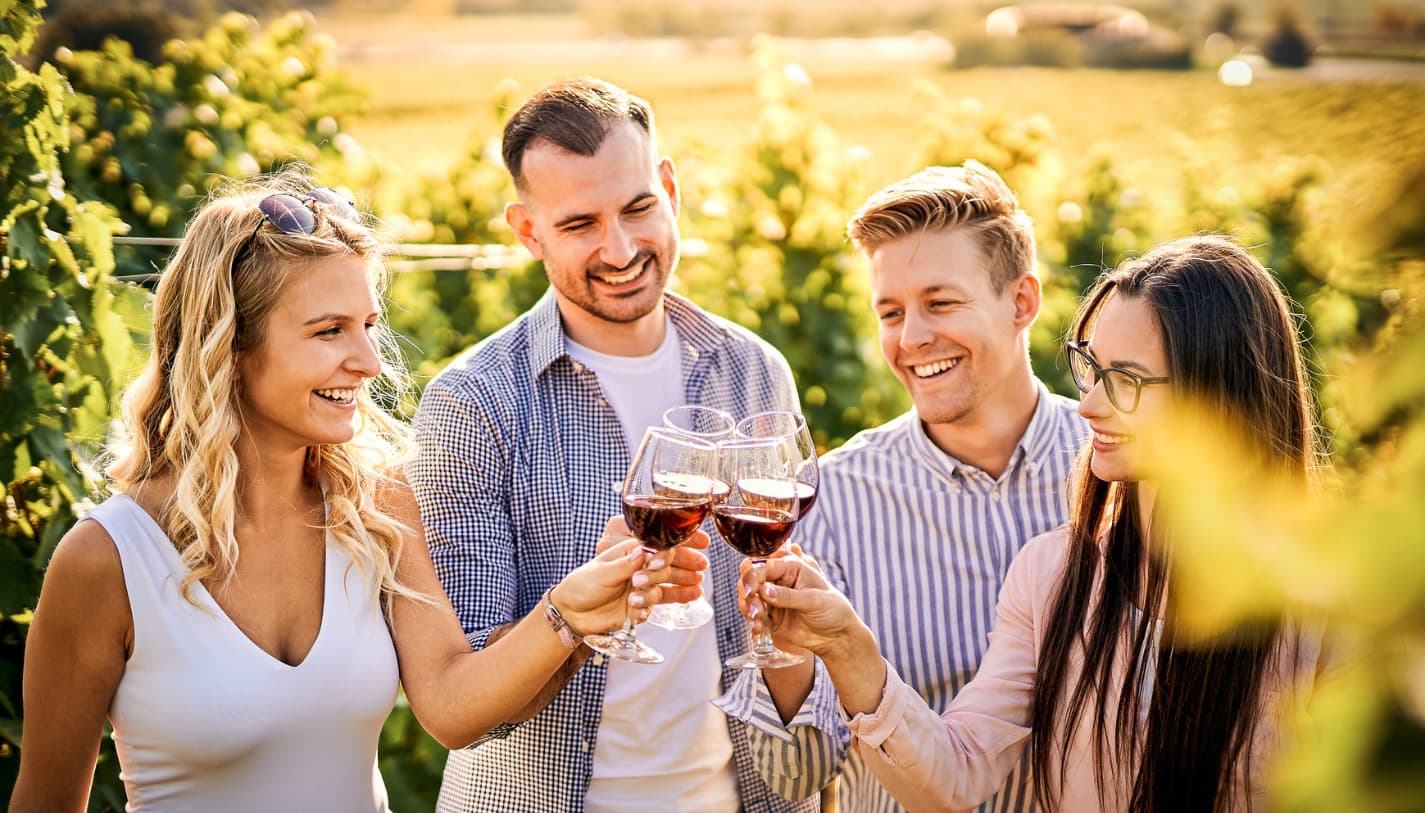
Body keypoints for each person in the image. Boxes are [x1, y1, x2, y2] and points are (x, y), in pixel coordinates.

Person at [10, 172, 704, 811]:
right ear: (229, 346)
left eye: (368, 325)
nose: (369, 361)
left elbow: (454, 708)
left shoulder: (375, 503)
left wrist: (574, 612)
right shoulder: (107, 559)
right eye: (328, 331)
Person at [745, 235, 1326, 811]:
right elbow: (954, 773)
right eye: (1091, 369)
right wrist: (846, 644)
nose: (1091, 403)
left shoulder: (1329, 605)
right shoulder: (1052, 575)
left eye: (1126, 381)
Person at [405, 77, 823, 811]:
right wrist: (577, 615)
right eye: (579, 225)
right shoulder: (472, 403)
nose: (621, 248)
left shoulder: (755, 371)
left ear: (669, 187)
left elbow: (785, 627)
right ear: (527, 230)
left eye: (637, 208)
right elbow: (462, 706)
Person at [714, 161, 1087, 813]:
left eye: (940, 303)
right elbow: (794, 776)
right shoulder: (832, 502)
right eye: (890, 312)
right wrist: (779, 650)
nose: (912, 338)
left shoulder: (1116, 466)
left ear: (1022, 301)